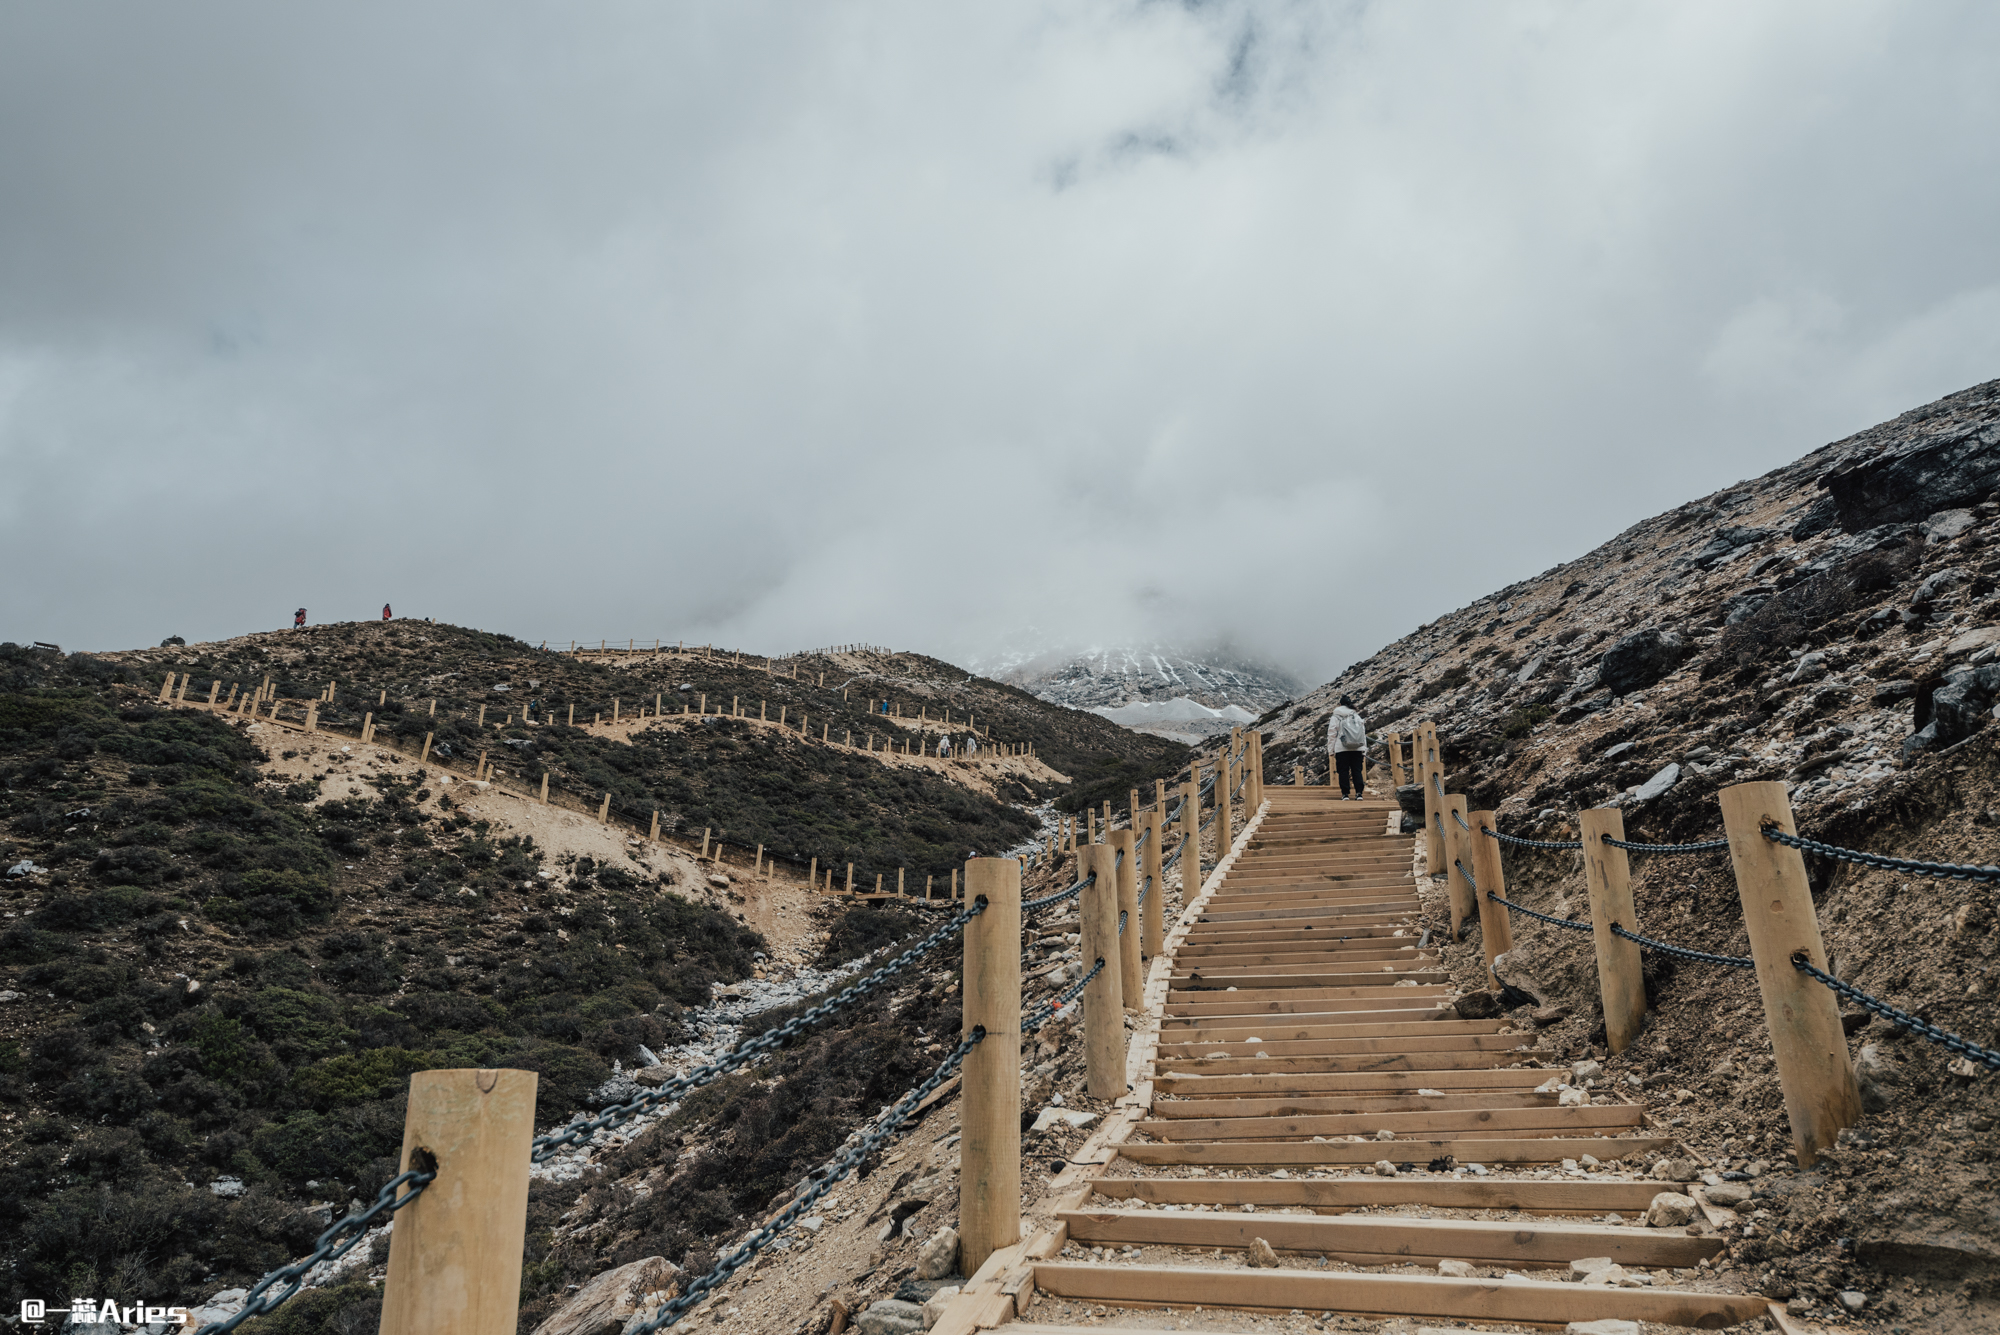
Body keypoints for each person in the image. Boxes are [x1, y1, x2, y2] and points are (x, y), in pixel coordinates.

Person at [1327, 695, 1368, 799]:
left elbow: (1332, 734)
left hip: (1341, 748)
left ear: (1339, 704)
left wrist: (1331, 750)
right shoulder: (1356, 716)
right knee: (1357, 771)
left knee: (1343, 771)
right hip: (1357, 748)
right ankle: (1359, 793)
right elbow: (1362, 733)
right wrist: (1364, 748)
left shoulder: (1335, 716)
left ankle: (1345, 794)